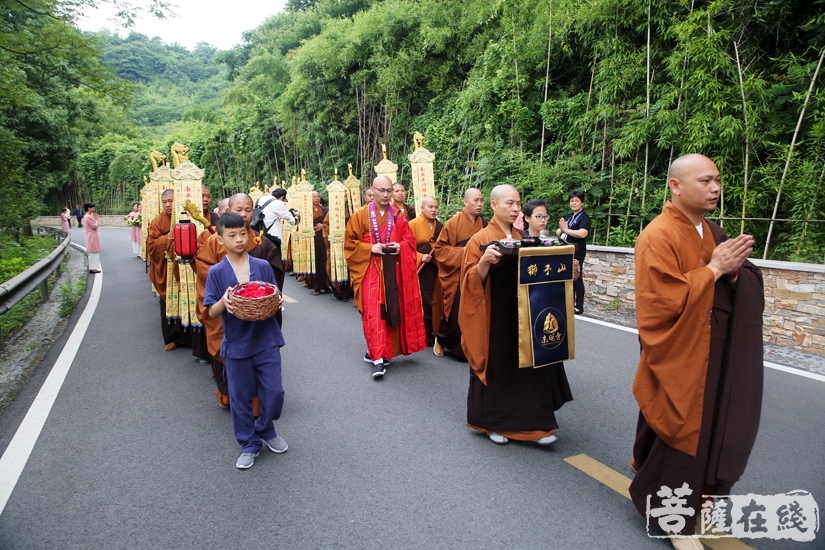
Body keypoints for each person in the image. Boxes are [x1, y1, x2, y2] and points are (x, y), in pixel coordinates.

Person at [629, 154, 763, 548]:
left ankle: (690, 494)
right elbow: (660, 301)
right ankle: (672, 518)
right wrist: (714, 270)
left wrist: (734, 272)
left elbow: (739, 274)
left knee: (707, 424)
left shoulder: (712, 230)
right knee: (682, 424)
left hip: (715, 345)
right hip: (681, 348)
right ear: (675, 185)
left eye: (717, 180)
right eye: (705, 181)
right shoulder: (657, 235)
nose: (715, 188)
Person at [459, 184, 573, 446]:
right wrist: (484, 262)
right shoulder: (480, 239)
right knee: (498, 366)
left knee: (528, 368)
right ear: (493, 205)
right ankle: (493, 424)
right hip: (495, 314)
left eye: (518, 204)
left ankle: (535, 426)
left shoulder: (524, 237)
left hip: (526, 312)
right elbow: (468, 283)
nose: (515, 208)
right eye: (509, 203)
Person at [204, 212, 287, 469]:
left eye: (243, 233)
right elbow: (211, 311)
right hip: (237, 344)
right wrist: (224, 301)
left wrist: (277, 301)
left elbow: (274, 295)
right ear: (220, 239)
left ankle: (265, 428)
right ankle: (249, 443)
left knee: (275, 393)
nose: (239, 239)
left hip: (266, 340)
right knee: (240, 398)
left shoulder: (261, 266)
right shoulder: (217, 272)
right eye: (232, 235)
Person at [195, 193, 285, 409]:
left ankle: (260, 408)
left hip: (259, 320)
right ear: (228, 211)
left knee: (264, 371)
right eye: (238, 210)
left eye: (248, 210)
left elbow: (275, 277)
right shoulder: (214, 240)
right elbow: (203, 268)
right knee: (232, 363)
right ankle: (232, 400)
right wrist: (229, 284)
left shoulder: (262, 243)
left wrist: (263, 296)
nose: (244, 214)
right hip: (227, 316)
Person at [344, 175, 426, 379]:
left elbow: (409, 241)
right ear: (372, 191)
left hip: (392, 272)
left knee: (389, 313)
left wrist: (401, 246)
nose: (386, 194)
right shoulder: (360, 215)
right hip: (369, 271)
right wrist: (370, 248)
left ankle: (379, 352)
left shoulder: (398, 215)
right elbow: (350, 243)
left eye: (389, 190)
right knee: (373, 314)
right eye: (381, 190)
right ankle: (378, 359)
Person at [431, 188, 485, 358]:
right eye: (475, 200)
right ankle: (441, 339)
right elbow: (439, 249)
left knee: (474, 312)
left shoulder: (484, 224)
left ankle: (469, 347)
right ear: (465, 202)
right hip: (457, 274)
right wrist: (465, 252)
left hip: (477, 273)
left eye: (481, 200)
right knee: (454, 311)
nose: (479, 204)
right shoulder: (453, 223)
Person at [146, 189, 192, 351]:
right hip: (166, 269)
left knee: (189, 300)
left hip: (186, 268)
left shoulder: (186, 216)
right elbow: (151, 246)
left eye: (170, 201)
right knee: (169, 303)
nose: (167, 205)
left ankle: (191, 338)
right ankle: (173, 338)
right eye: (164, 202)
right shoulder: (157, 221)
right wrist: (172, 237)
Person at [408, 196, 443, 347]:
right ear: (422, 208)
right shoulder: (413, 224)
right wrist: (420, 256)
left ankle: (434, 331)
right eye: (430, 207)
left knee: (436, 300)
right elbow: (405, 247)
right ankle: (422, 333)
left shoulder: (440, 226)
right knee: (423, 300)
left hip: (436, 268)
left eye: (436, 207)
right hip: (421, 270)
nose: (434, 210)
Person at [555, 190, 591, 314]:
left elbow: (582, 233)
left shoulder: (585, 217)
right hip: (565, 249)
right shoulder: (569, 217)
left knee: (577, 277)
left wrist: (566, 230)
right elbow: (558, 231)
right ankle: (568, 302)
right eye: (571, 201)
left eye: (576, 201)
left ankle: (579, 306)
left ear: (582, 203)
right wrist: (561, 229)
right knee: (566, 276)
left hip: (577, 251)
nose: (574, 203)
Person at [307, 191, 330, 295]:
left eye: (318, 196)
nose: (316, 198)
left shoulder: (325, 210)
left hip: (323, 238)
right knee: (315, 261)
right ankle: (316, 287)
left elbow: (330, 223)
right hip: (313, 239)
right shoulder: (307, 211)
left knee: (324, 260)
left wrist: (323, 226)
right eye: (314, 197)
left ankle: (326, 285)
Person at [83, 202, 101, 274]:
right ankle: (93, 268)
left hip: (91, 235)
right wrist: (96, 220)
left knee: (94, 252)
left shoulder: (88, 216)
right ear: (88, 208)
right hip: (91, 236)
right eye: (92, 207)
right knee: (93, 252)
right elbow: (94, 226)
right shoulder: (88, 217)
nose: (93, 209)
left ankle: (94, 267)